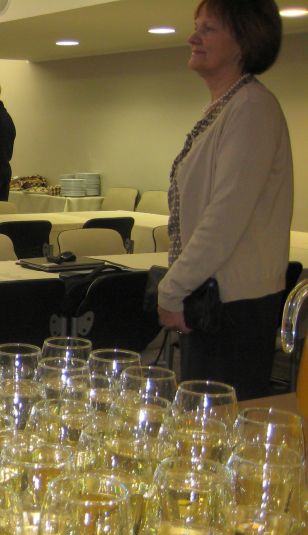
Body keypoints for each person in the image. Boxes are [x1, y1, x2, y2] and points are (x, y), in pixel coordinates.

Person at [157, 0, 291, 400]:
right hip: (214, 299)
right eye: (196, 26)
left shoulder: (251, 107)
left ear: (244, 41)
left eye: (209, 28)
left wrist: (172, 288)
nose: (193, 37)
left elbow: (224, 218)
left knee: (216, 425)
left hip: (232, 307)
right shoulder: (229, 106)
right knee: (205, 422)